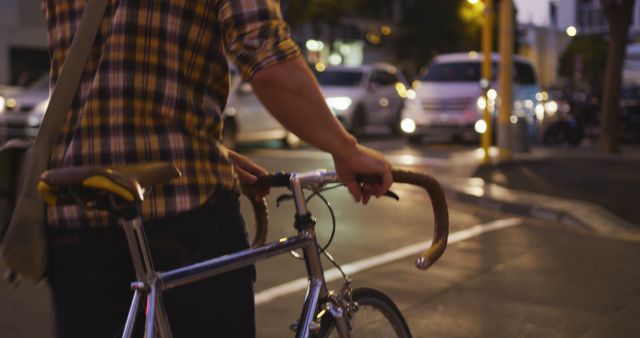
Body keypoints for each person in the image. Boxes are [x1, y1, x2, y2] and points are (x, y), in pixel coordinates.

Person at [42, 0, 393, 337]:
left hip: (74, 212)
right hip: (182, 209)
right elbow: (266, 56)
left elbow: (102, 78)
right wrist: (347, 149)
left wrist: (219, 151)